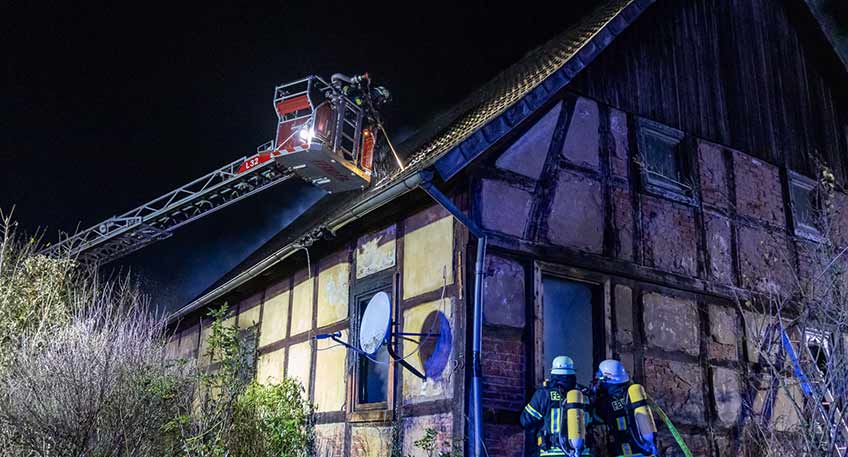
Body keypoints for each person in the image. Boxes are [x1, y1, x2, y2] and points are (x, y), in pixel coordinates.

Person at [520, 356, 590, 456]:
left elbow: (526, 421)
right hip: (582, 453)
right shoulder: (584, 395)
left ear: (553, 373)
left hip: (552, 452)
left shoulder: (544, 394)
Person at [589, 359, 658, 457]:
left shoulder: (607, 401)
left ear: (607, 379)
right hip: (645, 449)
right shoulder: (631, 394)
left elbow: (597, 417)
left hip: (624, 451)